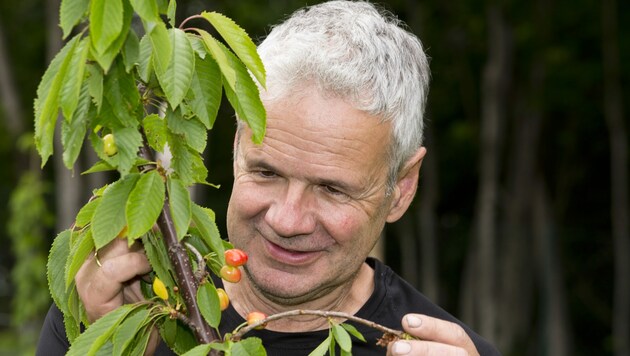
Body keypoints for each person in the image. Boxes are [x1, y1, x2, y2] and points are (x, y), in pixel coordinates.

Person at [37, 1, 501, 355]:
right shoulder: (115, 308)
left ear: (400, 189)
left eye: (332, 189)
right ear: (238, 145)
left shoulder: (439, 348)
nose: (287, 219)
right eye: (266, 171)